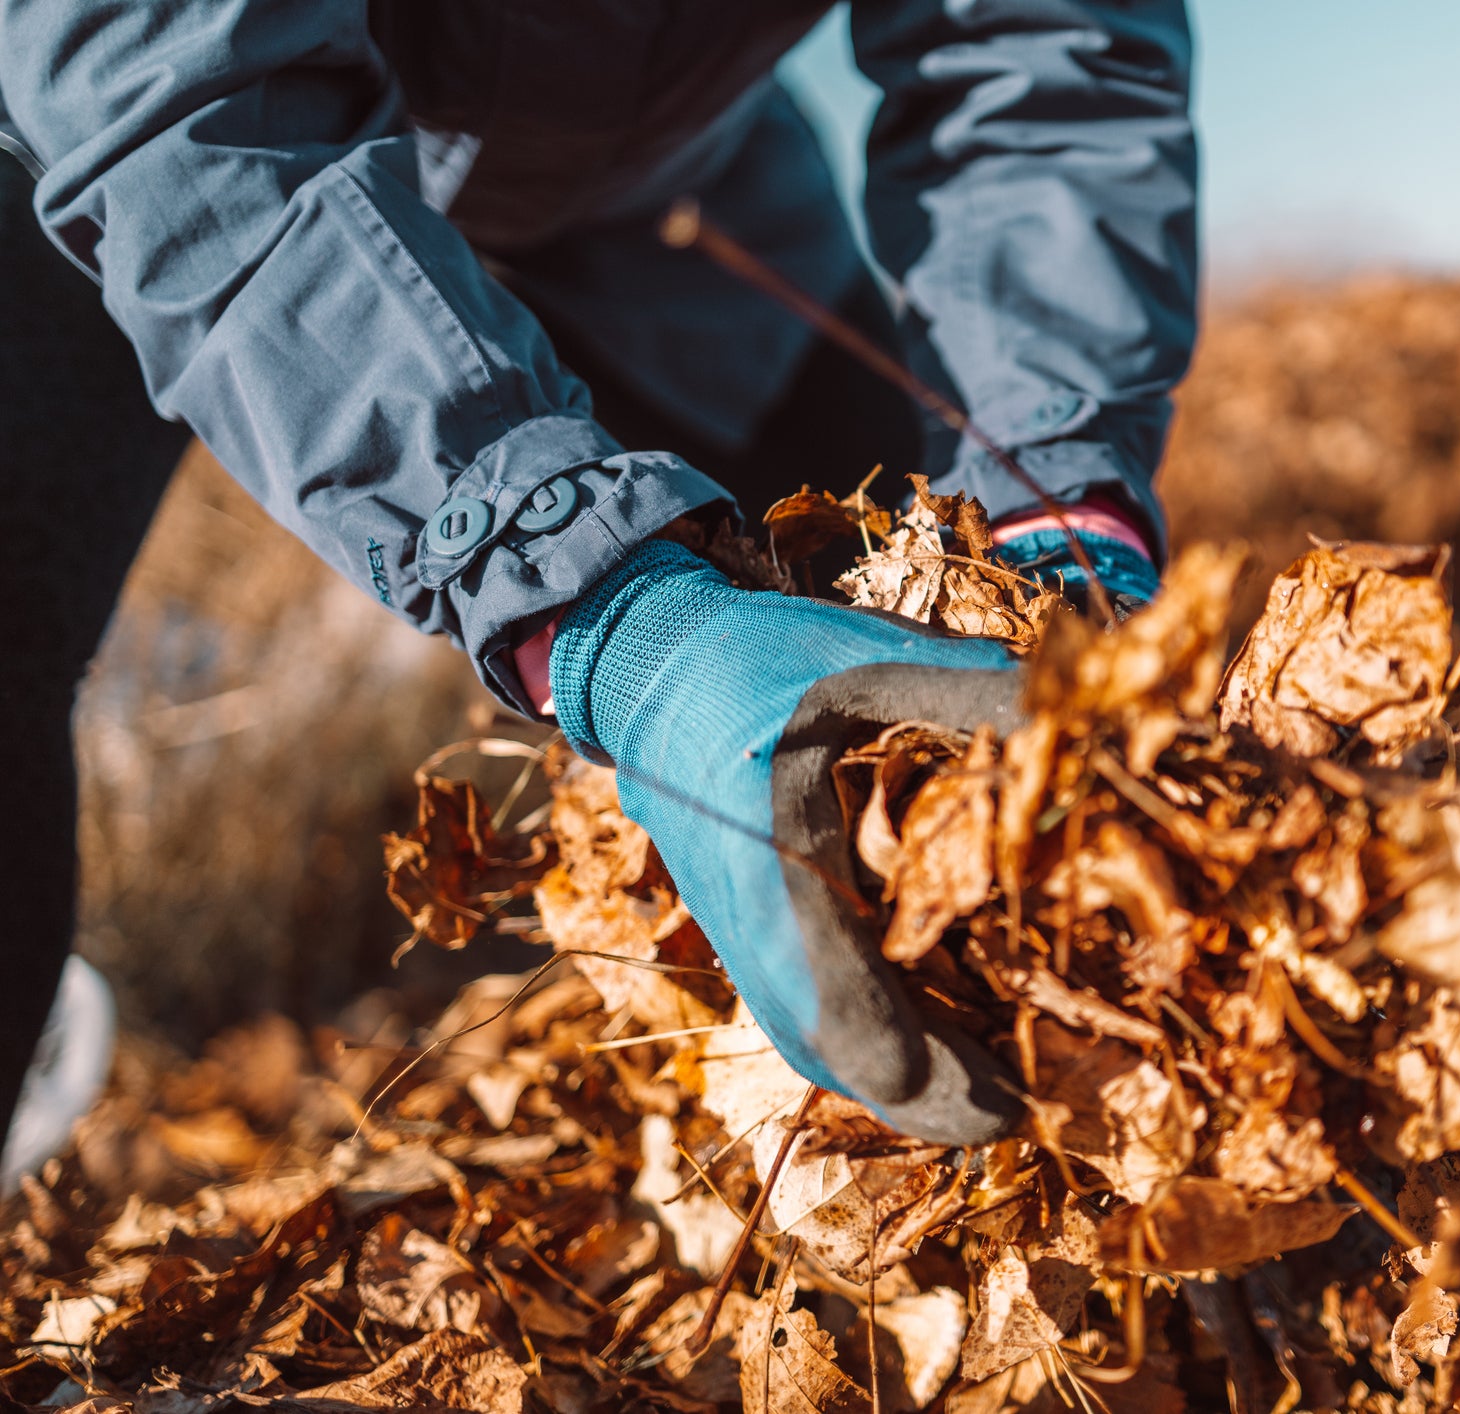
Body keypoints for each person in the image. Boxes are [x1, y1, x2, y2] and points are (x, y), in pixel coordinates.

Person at [0, 0, 1195, 1180]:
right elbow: (177, 93)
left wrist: (1052, 501)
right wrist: (614, 618)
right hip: (139, 147)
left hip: (654, 187)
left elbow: (1036, 48)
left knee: (880, 625)